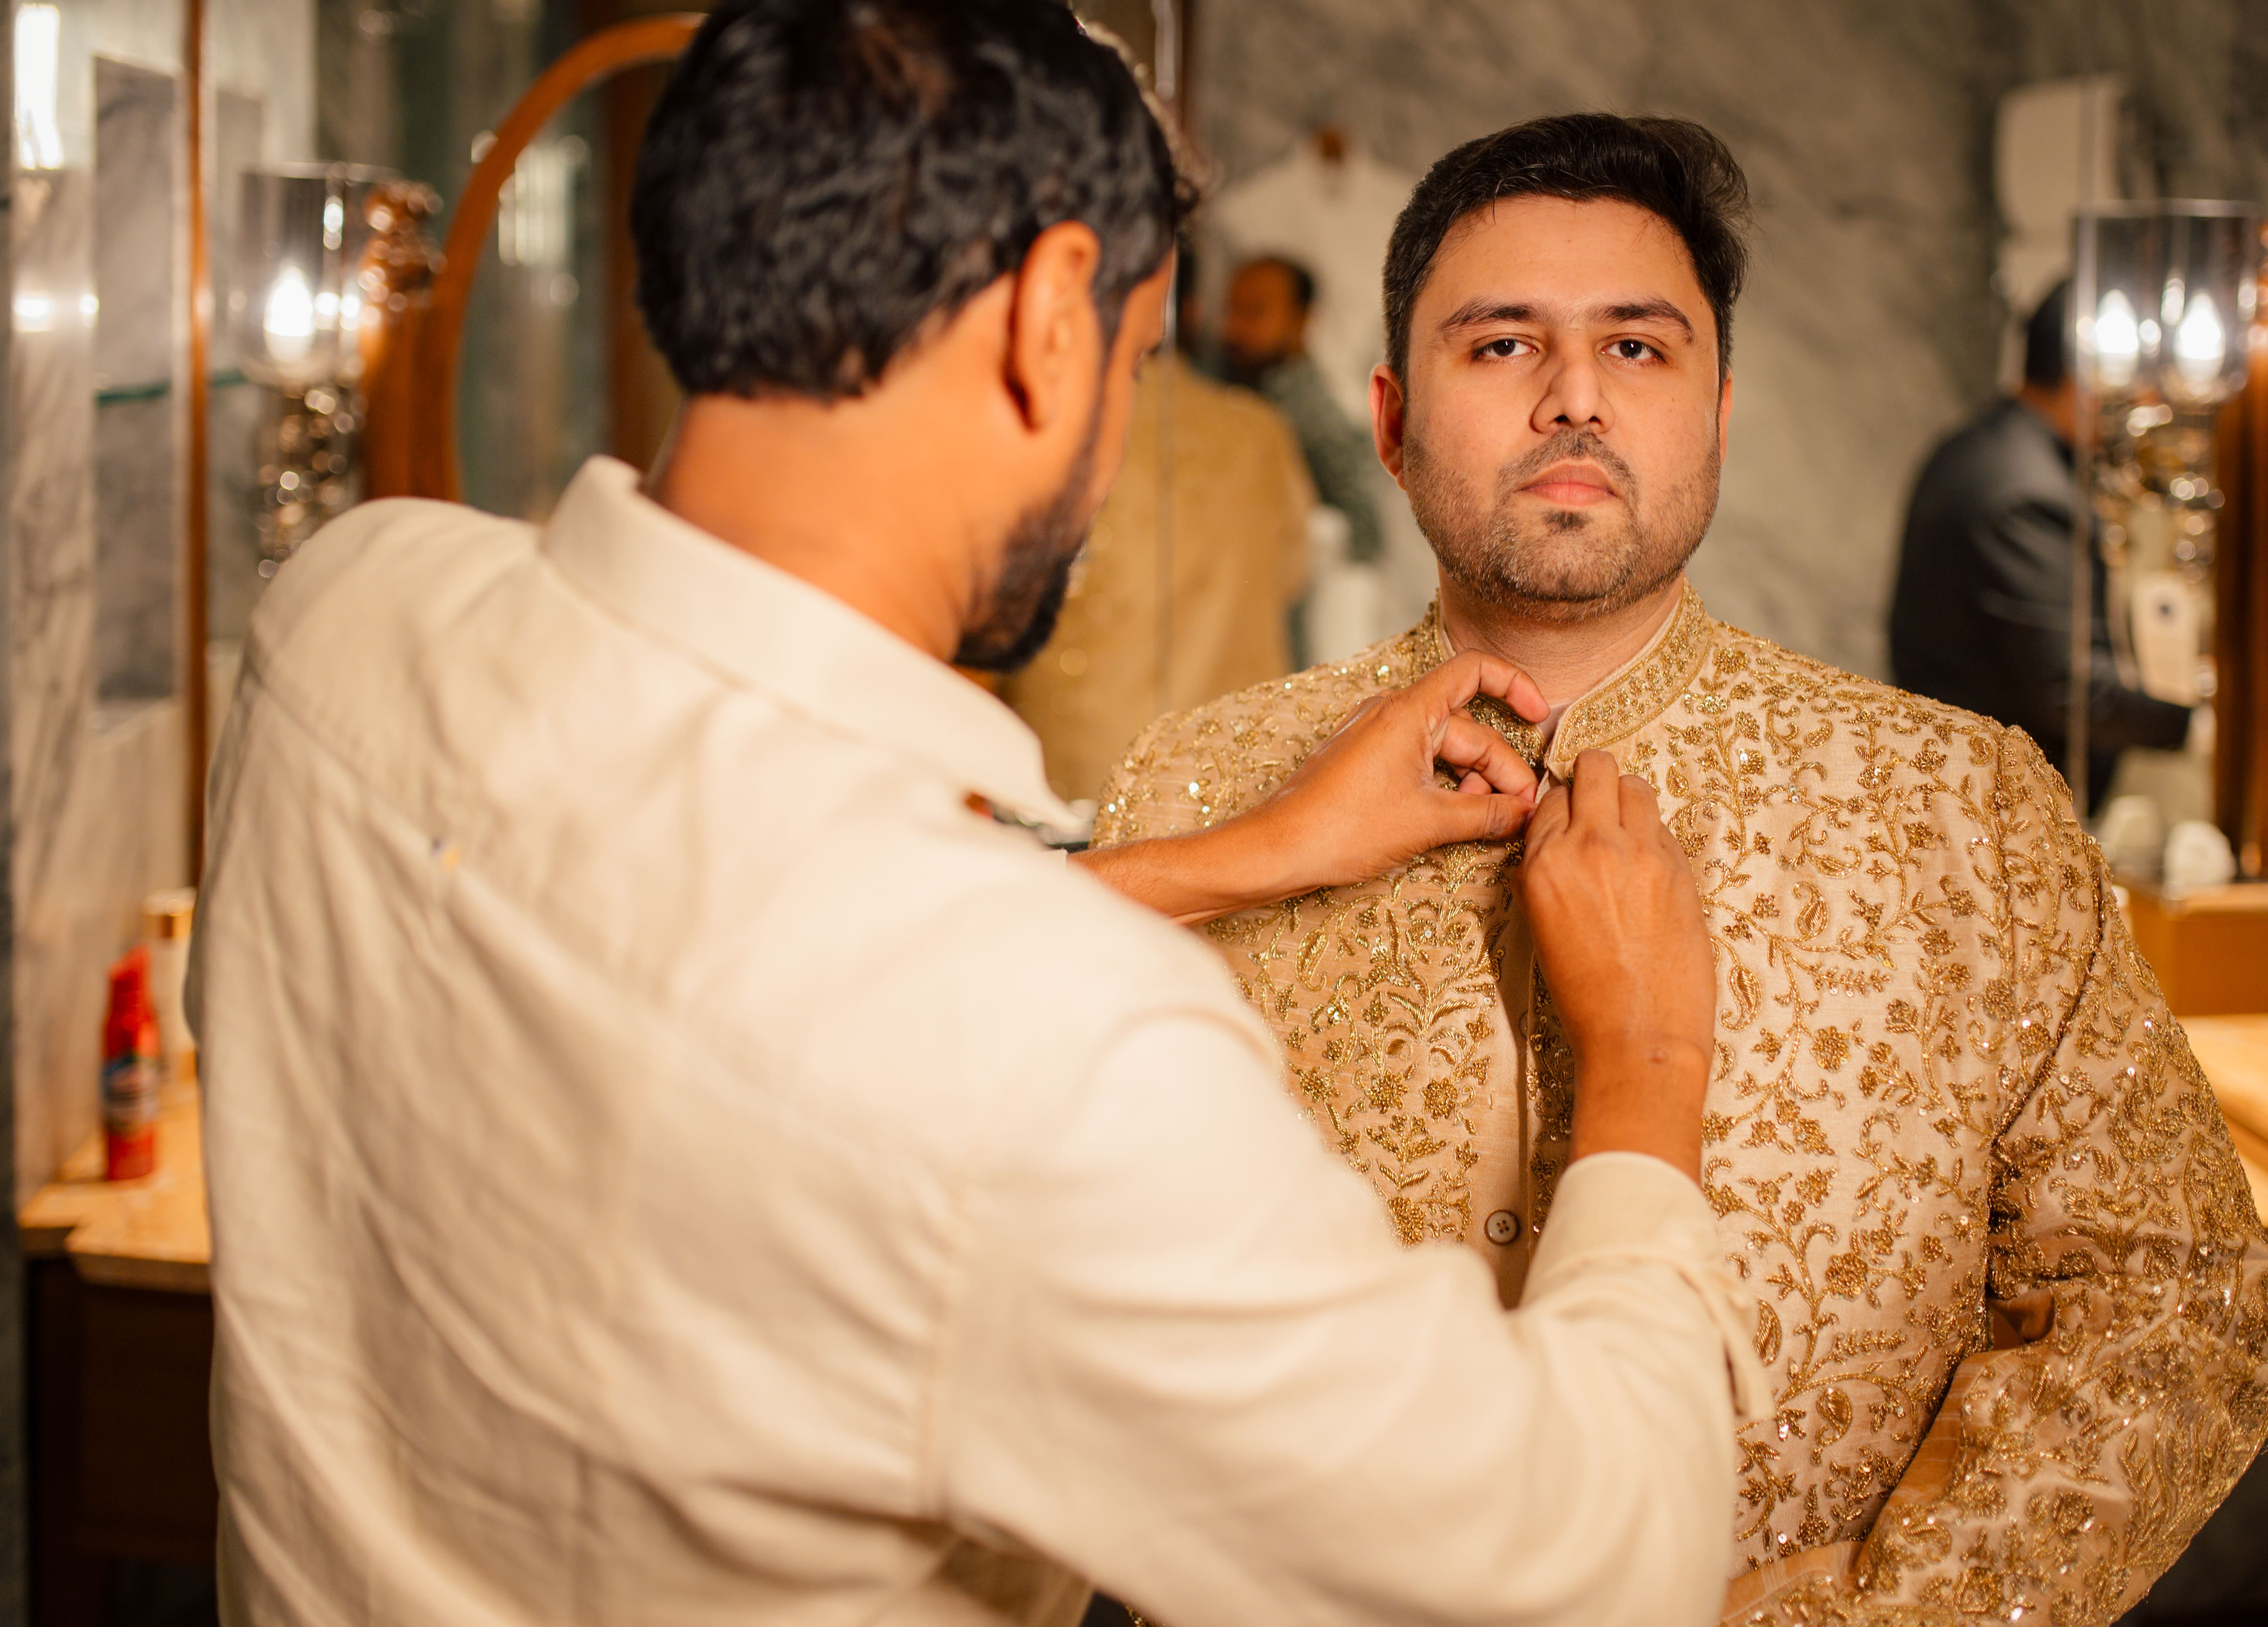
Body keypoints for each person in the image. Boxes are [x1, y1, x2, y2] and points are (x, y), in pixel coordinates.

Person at [193, 8, 1762, 1626]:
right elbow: (1589, 1573)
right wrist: (1646, 1071)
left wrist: (1254, 855)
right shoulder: (1052, 1061)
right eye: (1139, 357)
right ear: (1043, 327)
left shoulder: (348, 613)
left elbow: (758, 970)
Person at [1096, 114, 2268, 1625]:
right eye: (1501, 346)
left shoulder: (1962, 814)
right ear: (1391, 421)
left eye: (1640, 350)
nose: (1576, 397)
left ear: (1719, 415)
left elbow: (2178, 1304)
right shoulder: (1197, 789)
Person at [1888, 281, 2194, 806]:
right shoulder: (2028, 490)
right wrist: (2199, 724)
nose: (2149, 404)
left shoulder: (1982, 444)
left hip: (1958, 774)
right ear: (2089, 380)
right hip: (1997, 799)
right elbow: (2072, 690)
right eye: (2139, 385)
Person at [1001, 339, 1314, 804]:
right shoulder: (1259, 427)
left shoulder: (1057, 425)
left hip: (1089, 768)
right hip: (1240, 761)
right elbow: (1296, 567)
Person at [1218, 253, 1386, 567]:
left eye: (1255, 312)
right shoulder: (1224, 384)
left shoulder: (1315, 415)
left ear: (1301, 319)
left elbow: (1365, 536)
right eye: (1232, 309)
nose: (1234, 327)